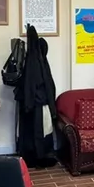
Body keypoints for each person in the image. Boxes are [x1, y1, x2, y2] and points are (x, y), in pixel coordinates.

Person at [18, 25, 58, 168]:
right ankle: (41, 157)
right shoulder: (38, 62)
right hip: (40, 103)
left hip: (33, 104)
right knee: (41, 133)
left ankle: (35, 156)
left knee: (36, 132)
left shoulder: (32, 60)